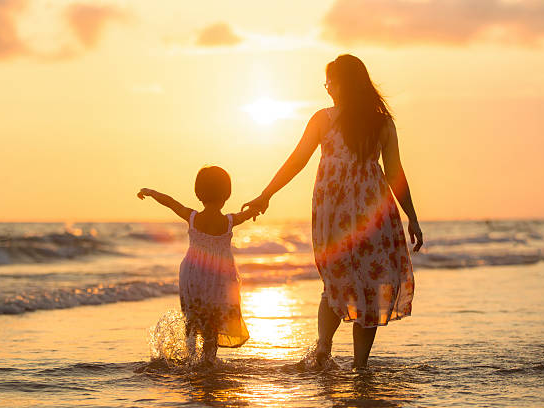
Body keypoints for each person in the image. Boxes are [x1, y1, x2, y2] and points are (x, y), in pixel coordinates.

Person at [242, 54, 423, 368]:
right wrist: (412, 217)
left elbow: (297, 161)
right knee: (368, 284)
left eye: (329, 80)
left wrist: (266, 195)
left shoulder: (325, 119)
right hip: (373, 212)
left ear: (343, 83)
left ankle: (323, 351)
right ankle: (358, 365)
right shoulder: (380, 121)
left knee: (336, 281)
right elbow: (394, 173)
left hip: (334, 211)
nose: (326, 87)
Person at [138, 166, 256, 364]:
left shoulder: (192, 217)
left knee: (192, 319)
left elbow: (170, 203)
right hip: (218, 279)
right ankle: (208, 361)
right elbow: (249, 213)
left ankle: (190, 359)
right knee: (212, 323)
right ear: (227, 194)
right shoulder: (229, 221)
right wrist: (257, 207)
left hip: (192, 275)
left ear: (198, 193)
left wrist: (150, 192)